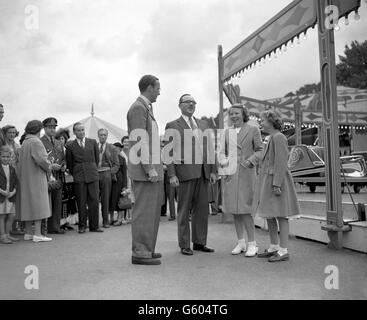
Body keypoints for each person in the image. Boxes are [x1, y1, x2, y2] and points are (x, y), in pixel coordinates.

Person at [165, 94, 217, 256]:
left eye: (193, 102)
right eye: (187, 102)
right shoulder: (173, 125)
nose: (191, 104)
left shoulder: (203, 124)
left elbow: (210, 148)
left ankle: (200, 242)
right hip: (184, 173)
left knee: (202, 210)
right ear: (180, 105)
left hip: (203, 172)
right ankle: (184, 244)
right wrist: (172, 174)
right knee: (184, 209)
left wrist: (214, 170)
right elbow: (168, 152)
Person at [253, 110, 300, 262]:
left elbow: (281, 162)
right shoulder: (269, 137)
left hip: (276, 181)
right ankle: (274, 246)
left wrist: (277, 184)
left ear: (272, 121)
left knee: (281, 215)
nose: (261, 123)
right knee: (269, 214)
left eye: (263, 120)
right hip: (268, 180)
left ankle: (283, 250)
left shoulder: (278, 137)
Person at [127, 74, 164, 265]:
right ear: (149, 88)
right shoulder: (138, 108)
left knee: (151, 212)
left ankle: (147, 248)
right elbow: (139, 141)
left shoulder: (145, 108)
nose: (159, 91)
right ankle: (140, 252)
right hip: (145, 172)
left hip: (151, 170)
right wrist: (149, 168)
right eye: (158, 88)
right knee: (143, 212)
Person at [218, 104, 263, 257]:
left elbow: (260, 150)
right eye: (231, 114)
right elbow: (221, 151)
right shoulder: (226, 132)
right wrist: (223, 160)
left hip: (246, 173)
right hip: (231, 174)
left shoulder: (253, 130)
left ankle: (252, 244)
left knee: (245, 210)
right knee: (234, 210)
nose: (234, 116)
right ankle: (241, 242)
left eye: (236, 113)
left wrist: (250, 161)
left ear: (244, 114)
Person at [17, 120, 54, 243]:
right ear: (39, 129)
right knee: (39, 205)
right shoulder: (36, 142)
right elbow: (42, 160)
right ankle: (37, 234)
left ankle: (28, 232)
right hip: (36, 177)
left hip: (25, 178)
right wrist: (50, 166)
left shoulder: (25, 142)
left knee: (27, 204)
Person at [65, 122, 103, 234]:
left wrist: (92, 169)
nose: (81, 132)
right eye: (78, 130)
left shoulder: (93, 142)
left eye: (82, 130)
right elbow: (70, 164)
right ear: (74, 132)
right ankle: (82, 226)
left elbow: (96, 160)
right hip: (79, 176)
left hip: (92, 175)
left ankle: (94, 226)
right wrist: (76, 173)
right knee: (81, 202)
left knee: (94, 201)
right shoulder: (70, 146)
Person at [40, 117, 66, 234]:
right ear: (44, 128)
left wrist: (64, 165)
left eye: (54, 127)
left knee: (57, 202)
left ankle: (55, 227)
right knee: (45, 202)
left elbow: (63, 158)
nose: (52, 129)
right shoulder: (40, 141)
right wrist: (51, 165)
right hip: (45, 175)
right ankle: (43, 228)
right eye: (49, 127)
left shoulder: (58, 142)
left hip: (58, 175)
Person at [96, 128, 119, 228]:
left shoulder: (112, 148)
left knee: (105, 199)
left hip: (106, 174)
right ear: (98, 136)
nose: (103, 137)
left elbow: (116, 165)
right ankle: (94, 222)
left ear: (107, 136)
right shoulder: (94, 146)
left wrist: (109, 173)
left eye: (105, 135)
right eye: (101, 135)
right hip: (95, 175)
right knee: (93, 199)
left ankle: (105, 221)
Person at [0, 146, 18, 244]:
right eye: (3, 157)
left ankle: (7, 234)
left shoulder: (12, 168)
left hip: (10, 195)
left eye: (7, 157)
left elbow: (15, 182)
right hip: (1, 196)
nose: (5, 159)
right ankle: (2, 236)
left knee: (12, 215)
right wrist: (2, 191)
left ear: (10, 157)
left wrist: (13, 191)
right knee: (2, 215)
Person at [109, 142, 128, 226]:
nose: (117, 150)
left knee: (119, 200)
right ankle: (111, 218)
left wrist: (125, 186)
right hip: (110, 181)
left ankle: (120, 219)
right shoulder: (109, 157)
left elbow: (125, 173)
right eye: (115, 148)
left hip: (119, 182)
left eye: (119, 148)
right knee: (110, 200)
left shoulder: (122, 159)